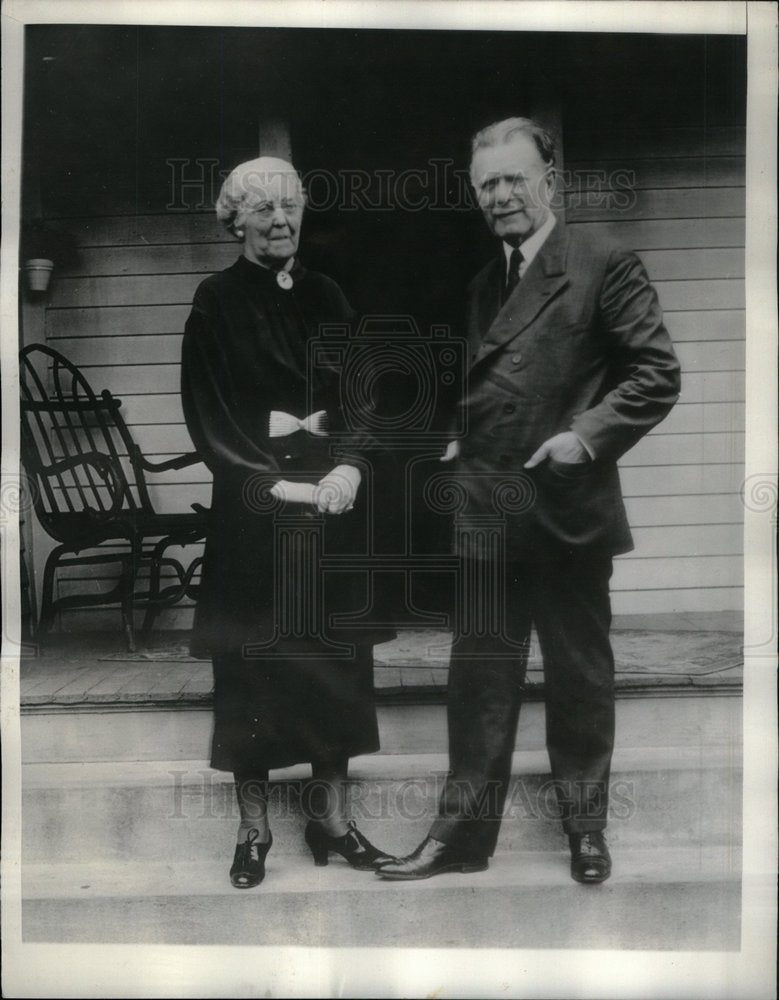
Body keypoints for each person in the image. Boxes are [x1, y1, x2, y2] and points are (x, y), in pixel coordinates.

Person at [377, 117, 681, 884]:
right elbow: (491, 387)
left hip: (567, 508)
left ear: (551, 179)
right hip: (487, 509)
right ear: (475, 196)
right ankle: (460, 840)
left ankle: (585, 830)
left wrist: (584, 437)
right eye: (487, 184)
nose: (501, 195)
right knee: (478, 678)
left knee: (579, 677)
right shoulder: (486, 283)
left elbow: (654, 374)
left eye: (514, 178)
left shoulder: (603, 261)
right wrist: (460, 434)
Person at [181, 156, 395, 889]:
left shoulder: (328, 295)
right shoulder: (213, 301)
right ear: (234, 219)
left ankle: (331, 821)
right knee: (250, 671)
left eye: (289, 207)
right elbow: (208, 419)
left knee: (335, 665)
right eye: (262, 209)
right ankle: (253, 830)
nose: (279, 221)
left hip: (329, 514)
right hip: (253, 518)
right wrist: (274, 486)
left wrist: (349, 468)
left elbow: (363, 402)